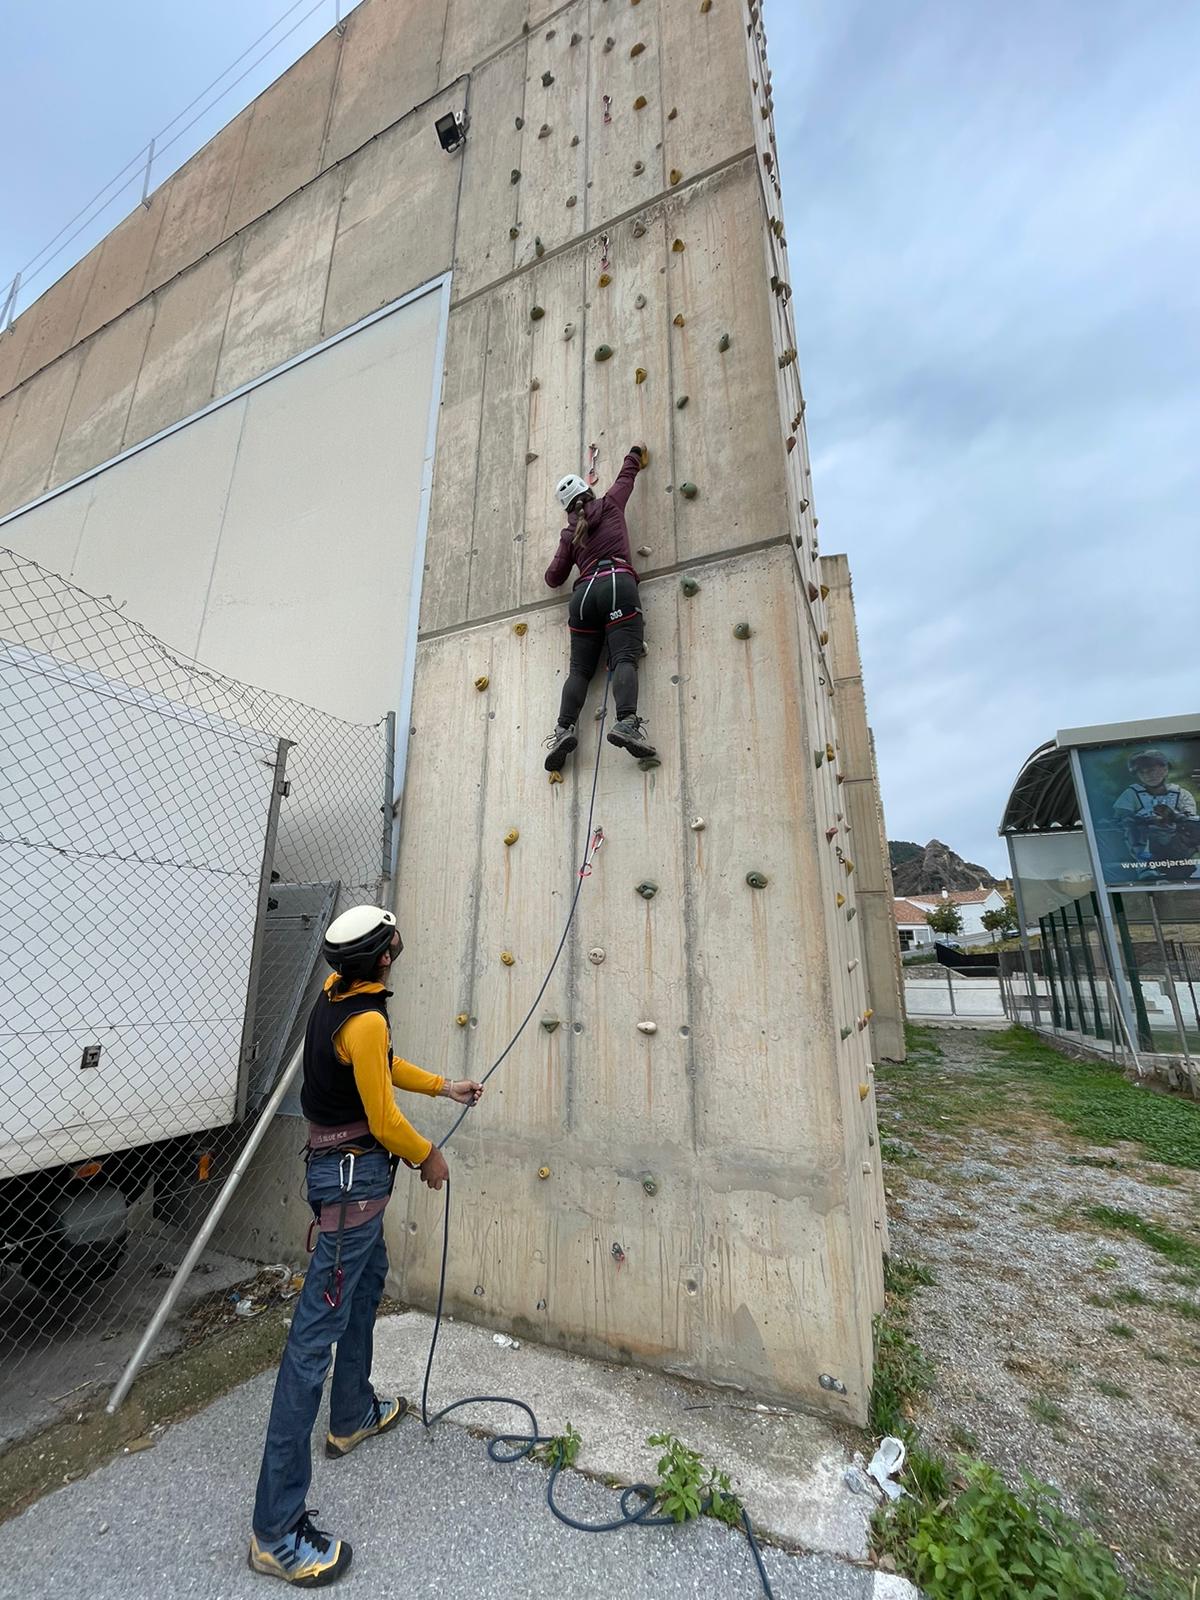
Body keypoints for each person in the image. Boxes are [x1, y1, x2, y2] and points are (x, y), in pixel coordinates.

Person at [249, 905, 484, 1585]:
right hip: (353, 1186)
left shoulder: (339, 999)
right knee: (308, 1349)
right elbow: (381, 1117)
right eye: (395, 939)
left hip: (346, 1184)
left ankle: (350, 1414)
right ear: (383, 958)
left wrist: (445, 1084)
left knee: (367, 1282)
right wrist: (427, 1156)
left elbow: (378, 1066)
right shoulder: (368, 1014)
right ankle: (276, 1530)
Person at [542, 445, 657, 771]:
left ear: (566, 508)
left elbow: (553, 578)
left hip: (583, 598)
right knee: (623, 657)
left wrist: (569, 545)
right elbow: (627, 476)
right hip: (617, 582)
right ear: (587, 491)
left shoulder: (568, 534)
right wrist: (635, 453)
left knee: (579, 671)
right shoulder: (609, 503)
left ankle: (564, 729)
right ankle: (625, 722)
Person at [1112, 749, 1200, 879]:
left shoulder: (1181, 794)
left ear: (1165, 769)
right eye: (1142, 772)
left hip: (1177, 847)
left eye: (1152, 770)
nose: (1148, 775)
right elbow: (1121, 817)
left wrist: (1173, 816)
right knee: (1132, 827)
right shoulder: (1131, 794)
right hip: (1147, 847)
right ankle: (1146, 868)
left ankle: (1183, 865)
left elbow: (1191, 819)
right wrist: (1143, 820)